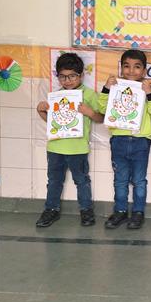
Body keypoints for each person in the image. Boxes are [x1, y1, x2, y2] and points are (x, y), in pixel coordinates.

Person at [35, 53, 103, 227]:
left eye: (72, 76)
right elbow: (54, 123)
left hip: (77, 148)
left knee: (82, 181)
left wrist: (90, 112)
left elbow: (101, 118)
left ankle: (86, 211)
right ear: (58, 77)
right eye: (63, 76)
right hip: (55, 148)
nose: (68, 80)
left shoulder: (89, 95)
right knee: (54, 181)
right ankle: (51, 210)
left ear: (81, 75)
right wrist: (41, 111)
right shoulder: (56, 96)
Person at [99, 49, 151, 230]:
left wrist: (150, 94)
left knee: (139, 180)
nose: (131, 71)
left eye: (137, 67)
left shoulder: (146, 89)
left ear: (144, 70)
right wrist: (106, 88)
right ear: (121, 68)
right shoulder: (115, 87)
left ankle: (138, 212)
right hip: (119, 139)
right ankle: (120, 211)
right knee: (120, 179)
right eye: (127, 66)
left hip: (141, 141)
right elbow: (102, 109)